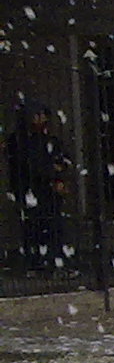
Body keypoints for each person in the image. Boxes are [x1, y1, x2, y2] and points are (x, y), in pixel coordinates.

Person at [7, 104, 76, 275]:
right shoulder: (20, 141)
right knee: (34, 228)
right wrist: (52, 175)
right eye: (37, 115)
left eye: (43, 115)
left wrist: (58, 174)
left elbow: (63, 160)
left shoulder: (49, 140)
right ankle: (37, 264)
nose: (40, 119)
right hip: (31, 190)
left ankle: (52, 263)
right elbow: (30, 167)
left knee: (53, 227)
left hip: (48, 192)